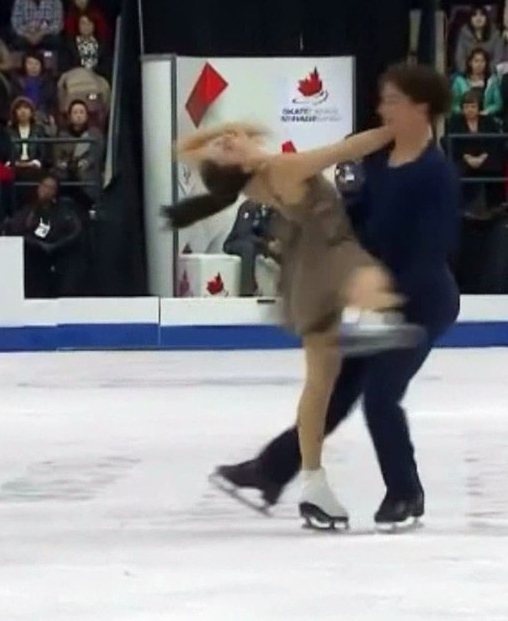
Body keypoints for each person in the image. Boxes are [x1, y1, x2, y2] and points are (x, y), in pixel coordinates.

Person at [210, 63, 461, 531]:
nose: (382, 108)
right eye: (383, 98)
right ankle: (270, 471)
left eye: (392, 100)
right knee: (337, 394)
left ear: (420, 108)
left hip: (422, 303)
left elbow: (431, 249)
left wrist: (383, 300)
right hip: (374, 300)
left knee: (381, 397)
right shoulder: (376, 161)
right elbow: (350, 220)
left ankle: (406, 493)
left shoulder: (435, 175)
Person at [165, 118, 421, 530]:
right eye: (225, 149)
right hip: (331, 254)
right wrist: (400, 129)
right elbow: (346, 150)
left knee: (319, 385)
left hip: (304, 270)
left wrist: (226, 137)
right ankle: (375, 318)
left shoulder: (248, 182)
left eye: (223, 141)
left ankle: (314, 484)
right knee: (365, 274)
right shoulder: (283, 168)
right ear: (240, 166)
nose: (225, 139)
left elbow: (183, 148)